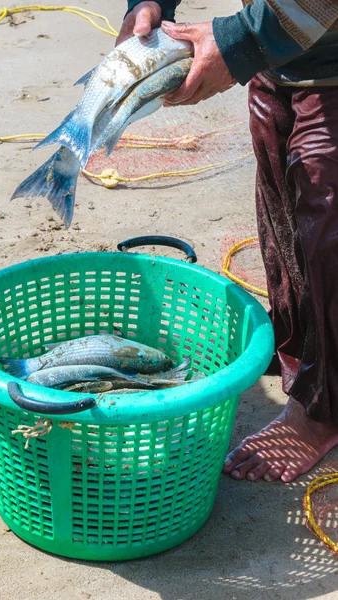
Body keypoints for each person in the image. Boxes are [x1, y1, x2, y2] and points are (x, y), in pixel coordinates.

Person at [117, 0, 338, 483]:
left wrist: (241, 39)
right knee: (285, 213)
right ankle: (301, 355)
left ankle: (325, 412)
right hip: (280, 58)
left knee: (329, 232)